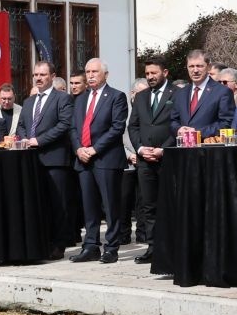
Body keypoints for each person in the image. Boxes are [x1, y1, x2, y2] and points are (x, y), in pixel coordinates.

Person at [70, 58, 130, 263]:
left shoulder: (116, 97)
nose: (90, 75)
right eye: (87, 72)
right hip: (83, 159)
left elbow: (116, 128)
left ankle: (111, 247)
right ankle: (91, 246)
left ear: (105, 74)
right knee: (89, 206)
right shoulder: (79, 99)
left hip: (106, 158)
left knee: (110, 206)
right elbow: (73, 128)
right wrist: (78, 148)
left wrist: (94, 149)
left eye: (95, 71)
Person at [14, 60, 74, 245]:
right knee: (39, 204)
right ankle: (43, 243)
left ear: (52, 76)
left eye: (42, 75)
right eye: (35, 75)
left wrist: (39, 141)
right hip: (32, 160)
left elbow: (64, 125)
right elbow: (22, 125)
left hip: (54, 159)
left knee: (58, 204)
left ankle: (59, 244)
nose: (38, 78)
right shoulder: (29, 101)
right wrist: (24, 139)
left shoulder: (62, 98)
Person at [127, 59, 176, 253]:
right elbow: (133, 126)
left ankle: (170, 247)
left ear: (165, 72)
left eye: (154, 73)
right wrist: (140, 149)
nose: (150, 77)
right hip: (145, 160)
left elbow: (177, 124)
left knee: (170, 203)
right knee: (148, 205)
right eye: (147, 74)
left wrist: (163, 148)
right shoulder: (141, 97)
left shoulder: (178, 94)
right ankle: (153, 247)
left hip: (168, 157)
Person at [174, 49, 235, 135]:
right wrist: (178, 129)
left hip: (208, 147)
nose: (195, 70)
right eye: (191, 66)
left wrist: (198, 133)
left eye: (199, 66)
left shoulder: (222, 92)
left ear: (209, 67)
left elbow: (227, 123)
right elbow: (173, 120)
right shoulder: (181, 93)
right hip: (185, 147)